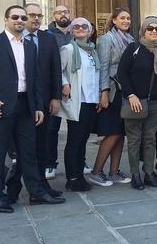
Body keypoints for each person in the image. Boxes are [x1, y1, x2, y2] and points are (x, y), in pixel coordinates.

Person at [0, 5, 65, 213]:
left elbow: (35, 81)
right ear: (5, 20)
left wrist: (39, 106)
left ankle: (36, 192)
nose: (20, 20)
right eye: (15, 17)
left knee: (28, 152)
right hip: (1, 107)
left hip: (26, 106)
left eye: (23, 17)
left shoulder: (30, 46)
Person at [6, 3, 63, 203]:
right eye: (31, 15)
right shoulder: (10, 41)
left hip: (44, 102)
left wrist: (56, 97)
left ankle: (41, 184)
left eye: (39, 15)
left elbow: (56, 69)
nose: (36, 19)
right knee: (22, 148)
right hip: (20, 102)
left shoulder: (48, 39)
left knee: (41, 145)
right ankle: (13, 187)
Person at [117, 16, 157, 190]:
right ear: (143, 30)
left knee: (150, 139)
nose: (154, 31)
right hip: (136, 102)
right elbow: (122, 73)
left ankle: (148, 172)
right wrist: (131, 95)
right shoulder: (133, 49)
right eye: (150, 28)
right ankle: (135, 175)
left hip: (155, 102)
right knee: (134, 140)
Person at [90, 8, 133, 186]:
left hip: (125, 91)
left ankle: (114, 171)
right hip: (112, 91)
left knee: (121, 133)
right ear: (114, 20)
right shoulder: (106, 39)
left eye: (128, 18)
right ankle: (96, 171)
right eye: (122, 18)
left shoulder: (130, 39)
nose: (126, 21)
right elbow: (103, 66)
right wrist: (104, 92)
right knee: (112, 133)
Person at [58, 17, 100, 192]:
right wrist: (64, 83)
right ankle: (72, 178)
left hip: (90, 101)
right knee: (74, 141)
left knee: (82, 140)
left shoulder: (92, 51)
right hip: (77, 101)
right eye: (76, 26)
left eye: (84, 26)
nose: (80, 28)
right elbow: (58, 70)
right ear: (71, 31)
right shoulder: (68, 49)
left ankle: (79, 175)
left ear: (90, 31)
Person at [44, 5, 73, 180]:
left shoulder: (76, 33)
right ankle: (49, 164)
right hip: (54, 87)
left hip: (75, 88)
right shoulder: (47, 36)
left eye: (66, 12)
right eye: (60, 12)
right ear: (54, 16)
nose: (63, 15)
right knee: (51, 128)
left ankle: (79, 161)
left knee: (77, 128)